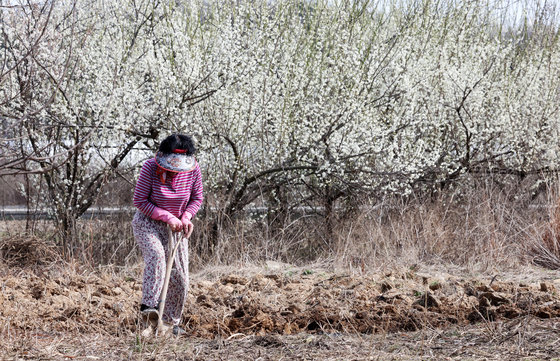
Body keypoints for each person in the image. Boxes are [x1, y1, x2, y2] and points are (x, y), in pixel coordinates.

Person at [131, 133, 203, 336]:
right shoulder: (150, 168)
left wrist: (187, 216)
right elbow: (140, 201)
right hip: (149, 223)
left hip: (178, 227)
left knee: (180, 277)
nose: (174, 172)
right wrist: (166, 216)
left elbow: (197, 198)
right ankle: (149, 310)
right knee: (157, 257)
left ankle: (170, 324)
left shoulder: (193, 169)